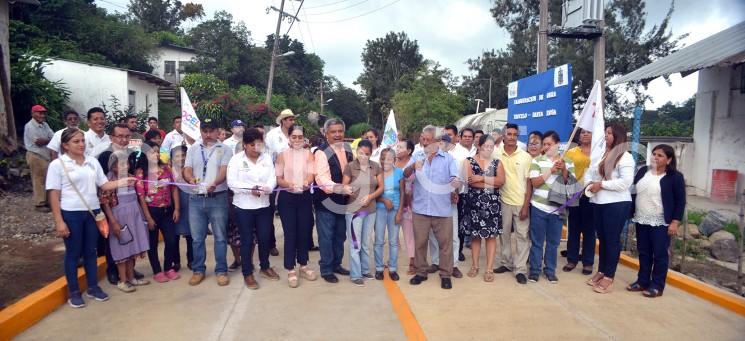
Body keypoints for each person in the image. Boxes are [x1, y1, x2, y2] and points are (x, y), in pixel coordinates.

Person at [46, 128, 134, 308]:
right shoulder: (58, 165)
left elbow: (104, 184)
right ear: (65, 145)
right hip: (71, 214)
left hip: (93, 213)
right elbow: (54, 194)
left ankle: (93, 287)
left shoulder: (92, 162)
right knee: (73, 253)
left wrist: (123, 181)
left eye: (82, 141)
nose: (81, 144)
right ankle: (74, 292)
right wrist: (59, 221)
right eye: (76, 142)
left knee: (91, 252)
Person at [405, 126, 460, 290]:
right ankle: (421, 272)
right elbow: (404, 174)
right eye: (422, 139)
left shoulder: (448, 159)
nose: (424, 142)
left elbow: (454, 179)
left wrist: (454, 188)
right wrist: (413, 166)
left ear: (438, 142)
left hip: (442, 209)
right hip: (420, 208)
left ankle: (445, 274)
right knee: (420, 243)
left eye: (428, 140)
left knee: (445, 244)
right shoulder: (416, 155)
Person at [628, 144, 685, 297]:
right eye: (654, 154)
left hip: (661, 221)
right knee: (644, 252)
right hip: (641, 218)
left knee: (659, 254)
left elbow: (680, 201)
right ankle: (642, 281)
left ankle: (657, 286)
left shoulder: (675, 177)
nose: (655, 157)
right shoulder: (643, 171)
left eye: (660, 155)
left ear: (669, 159)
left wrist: (675, 222)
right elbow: (633, 192)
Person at [182, 118, 232, 286]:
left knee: (220, 237)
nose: (208, 134)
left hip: (217, 197)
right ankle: (198, 270)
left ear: (218, 131)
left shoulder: (225, 149)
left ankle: (221, 270)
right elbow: (187, 168)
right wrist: (190, 179)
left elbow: (224, 171)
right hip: (196, 199)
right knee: (197, 238)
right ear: (201, 131)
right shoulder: (193, 149)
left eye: (211, 131)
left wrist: (215, 183)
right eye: (205, 130)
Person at [585, 123, 634, 294]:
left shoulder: (625, 157)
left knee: (612, 240)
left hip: (617, 203)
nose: (606, 135)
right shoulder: (601, 155)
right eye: (606, 132)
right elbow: (591, 173)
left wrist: (602, 184)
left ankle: (609, 277)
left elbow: (625, 183)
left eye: (610, 133)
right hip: (599, 202)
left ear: (618, 136)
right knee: (603, 239)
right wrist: (590, 184)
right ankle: (601, 270)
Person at [227, 128, 278, 289]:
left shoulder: (267, 158)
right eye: (252, 145)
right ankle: (247, 273)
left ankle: (264, 267)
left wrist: (268, 188)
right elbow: (232, 182)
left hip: (263, 205)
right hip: (244, 206)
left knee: (264, 238)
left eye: (259, 144)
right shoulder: (236, 160)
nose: (256, 148)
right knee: (247, 240)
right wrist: (252, 188)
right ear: (245, 145)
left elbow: (273, 178)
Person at [98, 151, 150, 293]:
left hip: (133, 217)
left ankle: (131, 277)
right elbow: (106, 203)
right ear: (113, 167)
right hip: (119, 219)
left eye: (126, 163)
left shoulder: (131, 179)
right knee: (121, 249)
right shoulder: (109, 181)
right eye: (121, 164)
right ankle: (122, 280)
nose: (125, 166)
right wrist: (113, 222)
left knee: (132, 248)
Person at [528, 131, 574, 284]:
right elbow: (535, 182)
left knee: (553, 243)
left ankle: (550, 271)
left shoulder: (567, 161)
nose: (547, 147)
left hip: (557, 209)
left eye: (550, 144)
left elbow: (570, 184)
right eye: (545, 144)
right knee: (537, 242)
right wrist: (551, 170)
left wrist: (564, 169)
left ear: (558, 145)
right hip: (538, 207)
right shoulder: (537, 161)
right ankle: (534, 271)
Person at [275, 124, 318, 288]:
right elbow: (278, 178)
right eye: (294, 137)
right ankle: (290, 268)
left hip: (305, 196)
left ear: (304, 138)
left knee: (304, 231)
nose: (297, 140)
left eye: (300, 137)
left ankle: (303, 265)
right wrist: (289, 184)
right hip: (287, 197)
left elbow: (311, 174)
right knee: (290, 232)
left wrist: (307, 182)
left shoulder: (309, 155)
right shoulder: (281, 156)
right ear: (289, 138)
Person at [134, 141, 181, 283]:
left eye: (157, 151)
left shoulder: (166, 168)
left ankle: (168, 267)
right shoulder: (141, 172)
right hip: (152, 212)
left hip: (167, 211)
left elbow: (174, 188)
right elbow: (141, 197)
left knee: (171, 240)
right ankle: (157, 270)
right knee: (152, 244)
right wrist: (148, 218)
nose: (156, 154)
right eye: (152, 152)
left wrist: (177, 208)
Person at [313, 118, 353, 283]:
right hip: (326, 201)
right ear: (326, 133)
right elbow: (322, 179)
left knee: (340, 235)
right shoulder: (321, 152)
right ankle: (326, 269)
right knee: (326, 236)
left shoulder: (349, 149)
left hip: (344, 201)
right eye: (333, 132)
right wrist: (341, 188)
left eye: (340, 131)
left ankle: (336, 264)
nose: (337, 134)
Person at [493, 123, 534, 284]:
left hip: (520, 202)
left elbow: (529, 182)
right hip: (503, 200)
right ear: (503, 135)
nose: (511, 137)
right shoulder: (496, 154)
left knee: (522, 236)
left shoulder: (525, 157)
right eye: (508, 134)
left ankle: (520, 269)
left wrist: (525, 205)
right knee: (504, 235)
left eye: (514, 134)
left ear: (517, 136)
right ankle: (506, 263)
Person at [461, 135, 504, 282]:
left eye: (491, 146)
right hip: (474, 205)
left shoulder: (497, 163)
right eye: (486, 146)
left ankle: (489, 269)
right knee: (475, 236)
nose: (489, 149)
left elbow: (501, 181)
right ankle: (475, 266)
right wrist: (491, 183)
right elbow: (470, 182)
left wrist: (481, 178)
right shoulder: (469, 161)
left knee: (491, 237)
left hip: (492, 206)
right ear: (479, 146)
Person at [342, 139, 383, 286]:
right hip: (354, 212)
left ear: (371, 154)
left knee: (366, 243)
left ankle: (365, 269)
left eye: (367, 154)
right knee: (355, 243)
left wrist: (370, 197)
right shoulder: (350, 167)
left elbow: (381, 187)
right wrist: (347, 190)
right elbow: (344, 186)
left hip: (370, 210)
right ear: (357, 151)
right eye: (360, 153)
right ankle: (355, 274)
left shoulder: (376, 167)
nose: (363, 156)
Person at [563, 128, 595, 275]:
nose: (585, 134)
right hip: (575, 194)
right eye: (582, 132)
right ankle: (572, 259)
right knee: (574, 229)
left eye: (589, 132)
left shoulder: (599, 152)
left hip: (593, 196)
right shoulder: (571, 152)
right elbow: (566, 173)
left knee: (589, 230)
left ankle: (588, 262)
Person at [437, 126, 467, 278]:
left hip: (450, 204)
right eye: (440, 142)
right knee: (435, 236)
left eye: (445, 142)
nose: (442, 145)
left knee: (453, 236)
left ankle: (453, 265)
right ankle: (437, 263)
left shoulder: (455, 161)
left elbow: (458, 180)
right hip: (435, 204)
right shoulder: (430, 160)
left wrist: (454, 193)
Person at [374, 147, 404, 281]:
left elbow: (403, 193)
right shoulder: (376, 172)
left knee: (393, 241)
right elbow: (372, 194)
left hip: (395, 210)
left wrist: (399, 212)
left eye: (388, 159)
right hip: (380, 210)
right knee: (379, 240)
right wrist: (384, 200)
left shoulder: (399, 172)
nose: (385, 161)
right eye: (382, 158)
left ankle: (392, 268)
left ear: (394, 160)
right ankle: (379, 268)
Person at [24, 104, 55, 212]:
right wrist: (49, 140)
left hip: (44, 155)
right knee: (38, 179)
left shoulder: (45, 125)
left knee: (46, 179)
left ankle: (47, 202)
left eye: (43, 113)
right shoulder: (30, 126)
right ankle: (39, 204)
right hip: (35, 155)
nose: (42, 115)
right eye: (39, 113)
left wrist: (48, 139)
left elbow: (53, 136)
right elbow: (39, 142)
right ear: (33, 114)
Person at [170, 145, 193, 271]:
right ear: (172, 158)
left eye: (183, 155)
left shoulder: (190, 170)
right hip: (174, 205)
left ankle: (191, 260)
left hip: (189, 203)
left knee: (191, 234)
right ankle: (176, 262)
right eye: (177, 156)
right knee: (174, 235)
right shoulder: (168, 171)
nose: (181, 158)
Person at [395, 139, 416, 275]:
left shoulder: (413, 163)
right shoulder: (392, 163)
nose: (397, 149)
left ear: (409, 151)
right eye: (397, 147)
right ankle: (392, 261)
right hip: (394, 202)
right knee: (393, 234)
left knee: (409, 234)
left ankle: (412, 262)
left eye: (401, 147)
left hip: (409, 203)